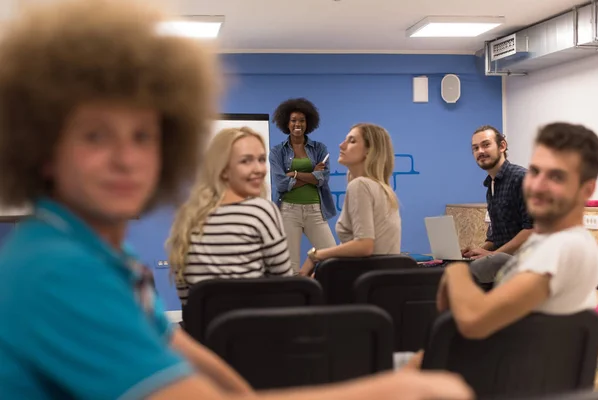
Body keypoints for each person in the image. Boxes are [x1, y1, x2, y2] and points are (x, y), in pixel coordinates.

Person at [0, 1, 475, 399]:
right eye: (96, 136)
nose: (126, 158)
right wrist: (396, 389)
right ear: (43, 147)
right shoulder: (56, 269)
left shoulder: (102, 253)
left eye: (143, 136)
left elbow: (177, 346)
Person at [438, 122, 598, 340]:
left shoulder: (562, 248)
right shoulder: (547, 243)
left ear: (587, 189)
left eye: (556, 176)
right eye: (535, 171)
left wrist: (455, 271)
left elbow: (474, 321)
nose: (536, 185)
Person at [167, 127, 293, 306]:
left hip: (203, 331)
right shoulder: (261, 211)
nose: (259, 169)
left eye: (261, 160)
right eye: (246, 161)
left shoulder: (187, 218)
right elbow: (285, 288)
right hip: (257, 330)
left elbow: (188, 299)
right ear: (224, 170)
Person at [299, 123, 401, 277]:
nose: (342, 145)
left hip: (361, 285)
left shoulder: (360, 185)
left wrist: (316, 255)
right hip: (379, 286)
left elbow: (364, 245)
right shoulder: (383, 190)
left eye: (352, 141)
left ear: (369, 150)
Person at [269, 98, 337, 272]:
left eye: (302, 120)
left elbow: (322, 179)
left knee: (332, 258)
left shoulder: (319, 148)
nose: (297, 124)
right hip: (288, 211)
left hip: (315, 210)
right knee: (289, 264)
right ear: (287, 123)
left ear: (308, 123)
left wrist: (295, 174)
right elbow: (281, 184)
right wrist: (311, 174)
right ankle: (293, 298)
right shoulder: (278, 151)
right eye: (293, 120)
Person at [463, 125, 533, 259]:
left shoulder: (522, 179)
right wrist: (478, 252)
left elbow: (533, 229)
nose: (480, 151)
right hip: (503, 265)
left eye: (486, 145)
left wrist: (493, 255)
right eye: (475, 148)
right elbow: (496, 237)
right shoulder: (491, 184)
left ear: (502, 146)